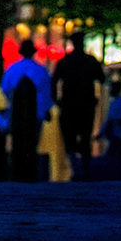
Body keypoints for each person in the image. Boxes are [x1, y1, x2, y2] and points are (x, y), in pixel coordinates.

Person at [52, 31, 104, 178]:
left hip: (69, 105)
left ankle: (75, 167)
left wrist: (56, 99)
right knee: (85, 135)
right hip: (86, 104)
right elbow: (101, 78)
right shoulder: (90, 61)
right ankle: (85, 169)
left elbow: (54, 80)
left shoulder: (65, 61)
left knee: (70, 137)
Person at [1, 38, 53, 182]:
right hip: (37, 114)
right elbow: (47, 93)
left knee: (18, 141)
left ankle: (17, 171)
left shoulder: (13, 69)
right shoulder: (41, 70)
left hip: (16, 113)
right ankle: (30, 171)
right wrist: (46, 111)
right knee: (33, 142)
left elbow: (5, 89)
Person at [98, 77, 121, 157]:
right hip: (115, 136)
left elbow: (119, 120)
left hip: (118, 135)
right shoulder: (114, 103)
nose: (110, 91)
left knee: (115, 156)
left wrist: (110, 126)